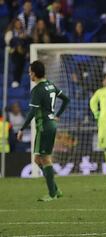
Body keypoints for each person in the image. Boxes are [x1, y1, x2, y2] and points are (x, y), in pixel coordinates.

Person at [17, 60, 70, 202]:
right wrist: (57, 115)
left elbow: (32, 112)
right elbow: (66, 99)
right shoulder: (50, 85)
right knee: (37, 158)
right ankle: (55, 190)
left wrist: (22, 129)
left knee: (44, 158)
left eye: (29, 72)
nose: (29, 74)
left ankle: (52, 194)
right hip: (51, 124)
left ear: (33, 73)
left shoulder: (38, 89)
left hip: (44, 126)